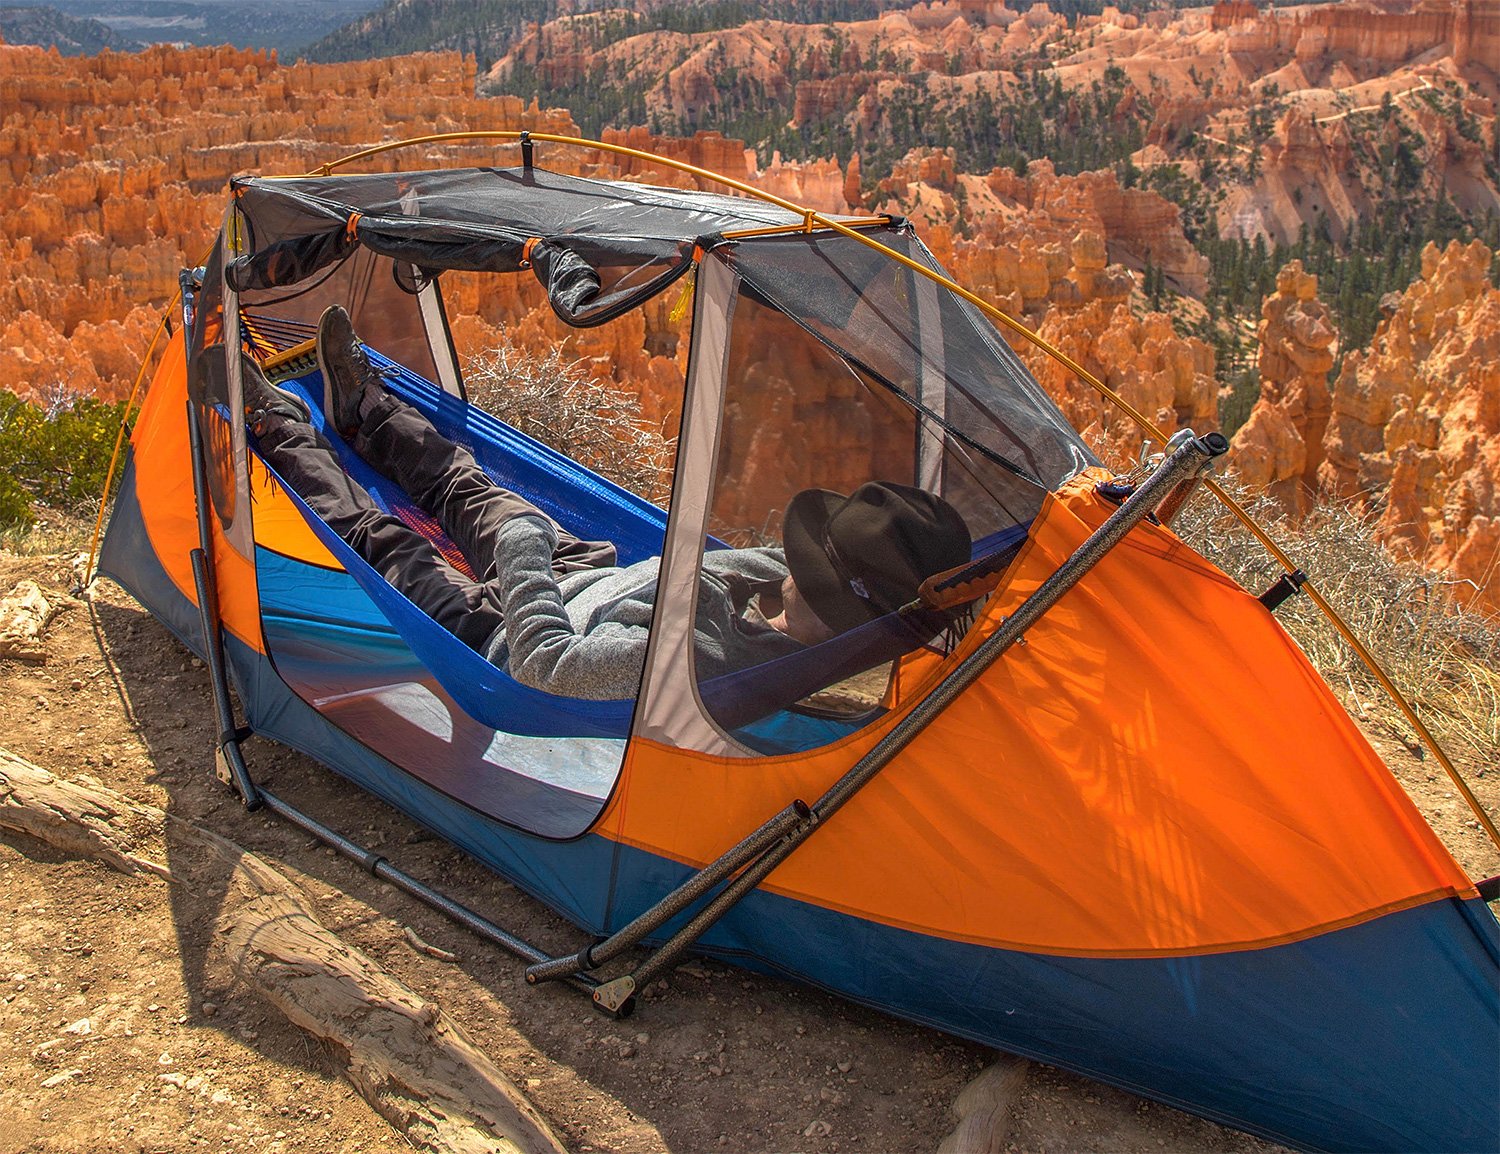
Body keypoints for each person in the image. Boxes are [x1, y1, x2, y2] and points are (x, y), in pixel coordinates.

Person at [243, 305, 973, 701]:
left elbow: (550, 670)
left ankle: (281, 430)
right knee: (467, 484)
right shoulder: (795, 612)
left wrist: (526, 560)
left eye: (814, 557)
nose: (796, 553)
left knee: (385, 545)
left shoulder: (710, 661)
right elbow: (762, 571)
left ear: (825, 588)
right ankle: (366, 415)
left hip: (503, 632)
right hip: (587, 573)